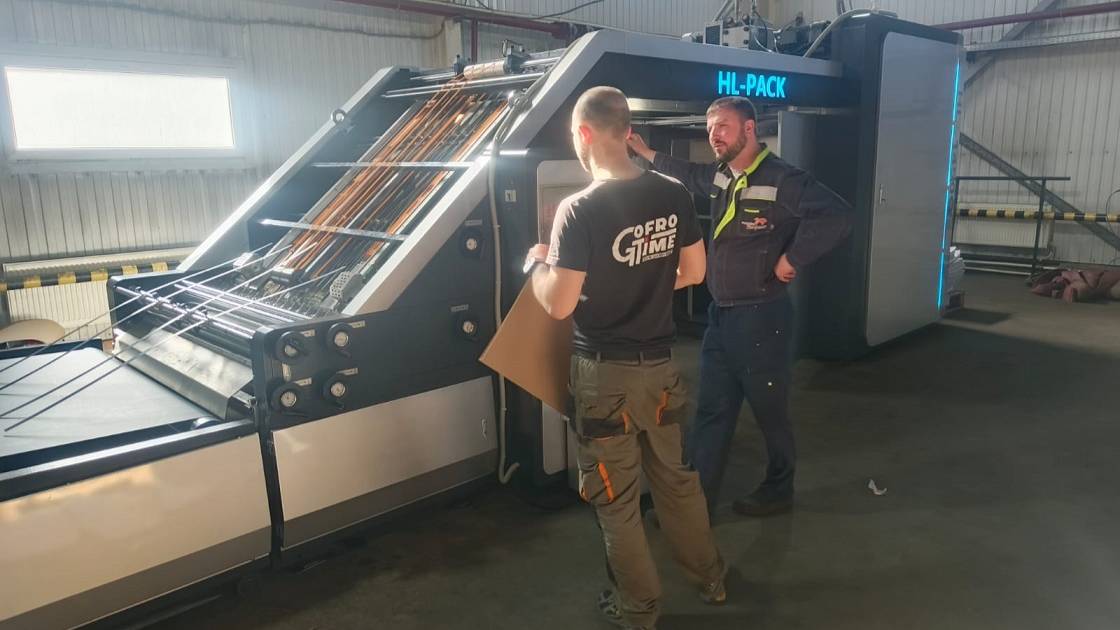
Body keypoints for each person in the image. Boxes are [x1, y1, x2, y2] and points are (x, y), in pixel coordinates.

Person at [525, 86, 725, 630]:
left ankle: (638, 609)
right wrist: (647, 284)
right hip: (661, 369)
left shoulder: (579, 209)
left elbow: (559, 304)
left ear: (585, 133)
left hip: (604, 377)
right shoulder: (672, 192)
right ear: (627, 131)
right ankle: (711, 579)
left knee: (616, 501)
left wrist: (538, 264)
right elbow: (694, 273)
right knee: (676, 481)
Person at [627, 96, 852, 517]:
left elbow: (837, 215)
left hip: (762, 319)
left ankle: (779, 488)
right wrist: (644, 152)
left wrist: (792, 258)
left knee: (770, 413)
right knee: (712, 411)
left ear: (749, 129)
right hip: (722, 317)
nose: (714, 135)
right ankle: (695, 507)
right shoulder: (722, 176)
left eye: (723, 126)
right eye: (710, 127)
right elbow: (688, 173)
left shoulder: (783, 179)